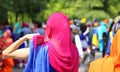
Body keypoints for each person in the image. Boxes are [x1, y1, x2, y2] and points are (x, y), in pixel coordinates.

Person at [2, 12, 79, 72]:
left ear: (50, 29)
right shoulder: (74, 52)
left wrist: (24, 38)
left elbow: (6, 53)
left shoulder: (41, 50)